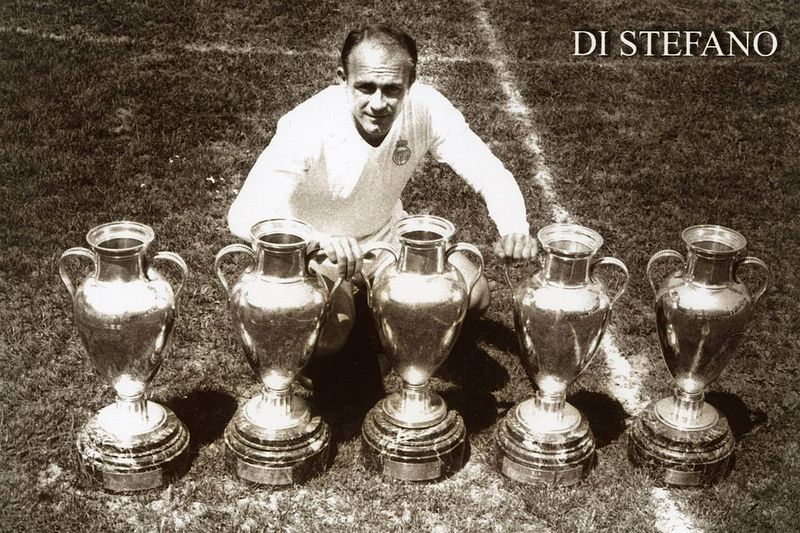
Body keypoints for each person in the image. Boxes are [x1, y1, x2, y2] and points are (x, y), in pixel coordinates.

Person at [228, 25, 536, 355]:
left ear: (411, 82)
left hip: (386, 236)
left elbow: (488, 171)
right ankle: (367, 313)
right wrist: (320, 240)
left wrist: (514, 228)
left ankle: (382, 315)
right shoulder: (306, 124)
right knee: (329, 338)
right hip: (318, 250)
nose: (378, 103)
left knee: (473, 296)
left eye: (392, 89)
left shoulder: (427, 107)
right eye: (365, 87)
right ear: (342, 79)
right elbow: (243, 216)